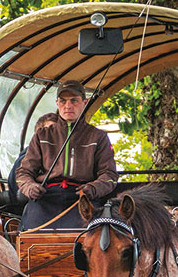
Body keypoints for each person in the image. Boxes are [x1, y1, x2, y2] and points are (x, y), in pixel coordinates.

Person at [15, 81, 118, 229]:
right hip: (46, 198)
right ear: (57, 103)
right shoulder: (42, 135)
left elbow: (110, 175)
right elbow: (23, 172)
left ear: (84, 102)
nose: (68, 106)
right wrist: (30, 187)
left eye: (74, 100)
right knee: (29, 234)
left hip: (83, 199)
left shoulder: (98, 136)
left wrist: (93, 188)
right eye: (63, 101)